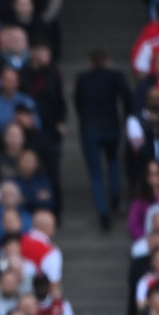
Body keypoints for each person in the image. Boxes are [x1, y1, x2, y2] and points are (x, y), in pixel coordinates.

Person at [74, 48, 132, 231]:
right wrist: (127, 117)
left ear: (90, 62)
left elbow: (77, 102)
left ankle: (103, 213)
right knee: (114, 161)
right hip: (111, 127)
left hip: (90, 129)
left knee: (96, 175)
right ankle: (115, 197)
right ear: (107, 61)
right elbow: (128, 96)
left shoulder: (83, 78)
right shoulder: (115, 76)